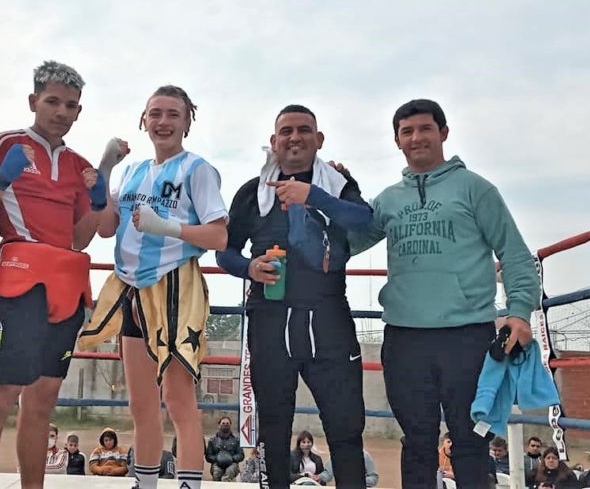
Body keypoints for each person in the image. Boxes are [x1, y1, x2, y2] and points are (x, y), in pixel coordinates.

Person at [345, 99, 541, 488]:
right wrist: (337, 195)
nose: (416, 137)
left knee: (470, 440)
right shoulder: (387, 200)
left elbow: (515, 253)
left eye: (424, 128)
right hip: (404, 337)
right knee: (416, 442)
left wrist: (519, 311)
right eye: (407, 131)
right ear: (397, 140)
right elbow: (345, 244)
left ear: (443, 133)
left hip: (466, 333)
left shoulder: (475, 189)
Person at [0, 60, 118, 489]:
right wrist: (0, 181)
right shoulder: (5, 143)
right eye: (52, 101)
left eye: (70, 105)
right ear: (34, 101)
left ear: (79, 111)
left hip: (67, 286)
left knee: (43, 400)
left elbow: (81, 239)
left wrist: (99, 198)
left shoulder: (78, 164)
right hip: (21, 278)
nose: (61, 112)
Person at [79, 84, 228, 489]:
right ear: (143, 120)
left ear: (187, 121)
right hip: (131, 289)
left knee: (179, 402)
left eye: (172, 114)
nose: (163, 122)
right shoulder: (133, 171)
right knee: (141, 404)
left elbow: (218, 237)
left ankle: (187, 485)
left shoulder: (197, 169)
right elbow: (107, 228)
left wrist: (168, 227)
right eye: (155, 113)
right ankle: (145, 484)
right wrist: (106, 169)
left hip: (176, 287)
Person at [217, 104, 371, 489]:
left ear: (319, 140)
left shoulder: (335, 184)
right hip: (271, 318)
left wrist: (314, 196)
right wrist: (250, 269)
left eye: (304, 130)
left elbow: (364, 220)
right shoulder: (253, 191)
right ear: (274, 141)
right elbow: (225, 251)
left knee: (345, 424)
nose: (295, 137)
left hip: (328, 317)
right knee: (273, 427)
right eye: (286, 131)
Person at [205, 416, 244, 481]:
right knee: (217, 473)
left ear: (230, 425)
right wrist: (217, 458)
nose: (225, 425)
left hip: (232, 464)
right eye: (223, 423)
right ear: (219, 425)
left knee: (229, 473)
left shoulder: (236, 440)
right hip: (217, 464)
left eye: (227, 423)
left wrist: (232, 458)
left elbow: (241, 455)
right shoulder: (212, 440)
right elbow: (208, 456)